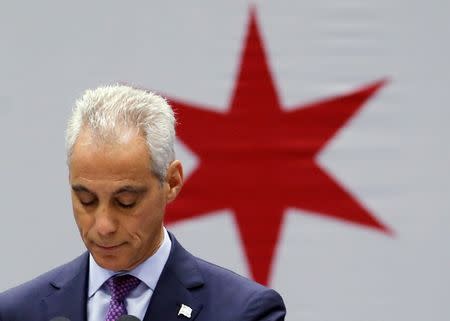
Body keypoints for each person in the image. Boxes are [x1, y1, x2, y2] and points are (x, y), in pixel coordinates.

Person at [0, 85, 286, 321]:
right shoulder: (16, 312)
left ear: (172, 182)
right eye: (86, 199)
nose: (103, 226)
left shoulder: (244, 313)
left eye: (125, 202)